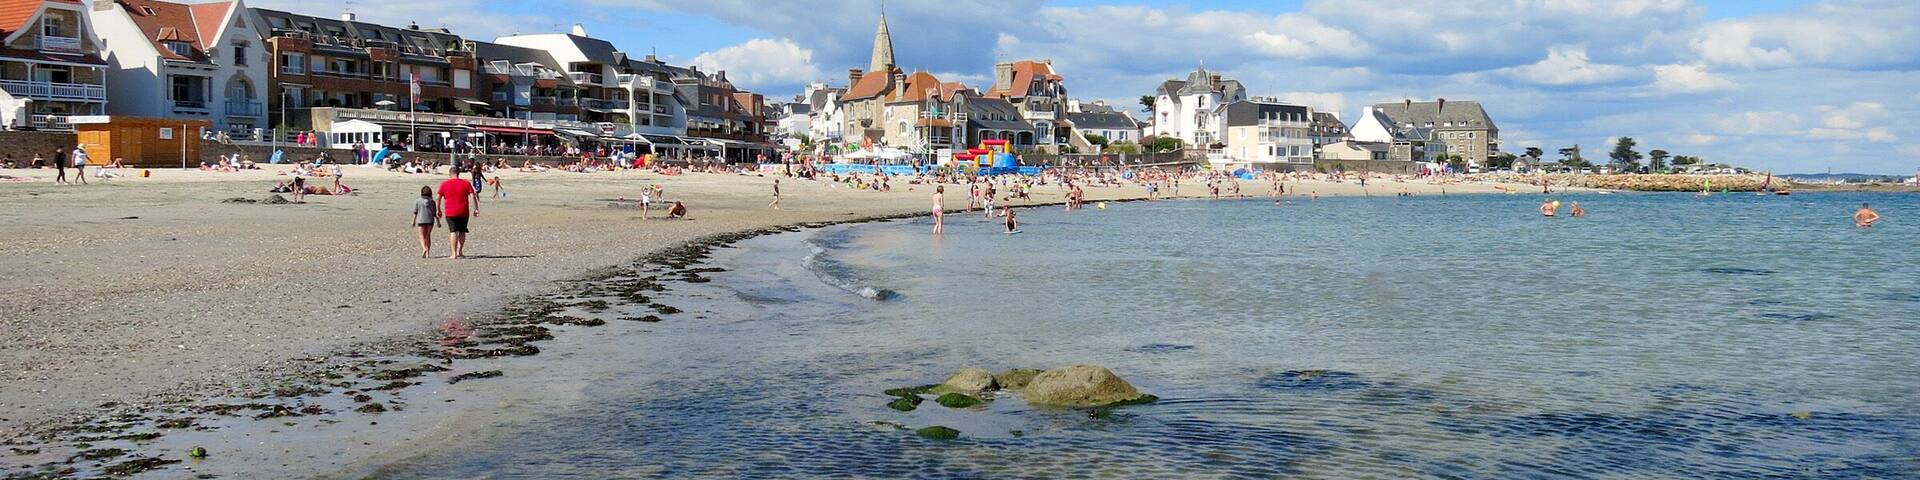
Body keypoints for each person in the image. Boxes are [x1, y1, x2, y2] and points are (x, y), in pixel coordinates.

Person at [438, 166, 478, 259]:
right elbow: (473, 196)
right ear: (458, 173)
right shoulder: (466, 183)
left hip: (450, 211)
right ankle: (460, 251)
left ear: (450, 173)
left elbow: (438, 197)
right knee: (462, 231)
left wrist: (438, 209)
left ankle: (453, 253)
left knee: (453, 231)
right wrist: (476, 209)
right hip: (463, 211)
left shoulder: (445, 184)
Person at [412, 186, 439, 258]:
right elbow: (434, 213)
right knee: (428, 236)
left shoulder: (417, 201)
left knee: (421, 236)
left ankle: (424, 248)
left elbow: (415, 212)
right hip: (430, 220)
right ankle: (428, 253)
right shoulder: (432, 202)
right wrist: (438, 222)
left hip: (421, 220)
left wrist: (413, 221)